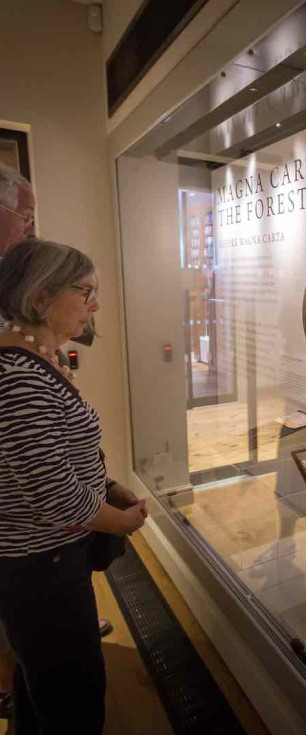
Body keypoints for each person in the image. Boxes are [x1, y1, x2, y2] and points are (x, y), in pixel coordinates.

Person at [0, 238, 147, 734]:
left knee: (40, 685)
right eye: (85, 291)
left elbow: (49, 457)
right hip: (41, 570)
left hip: (43, 564)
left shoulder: (34, 360)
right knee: (73, 702)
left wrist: (104, 485)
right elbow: (54, 493)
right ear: (40, 297)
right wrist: (120, 521)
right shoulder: (20, 376)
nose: (95, 305)